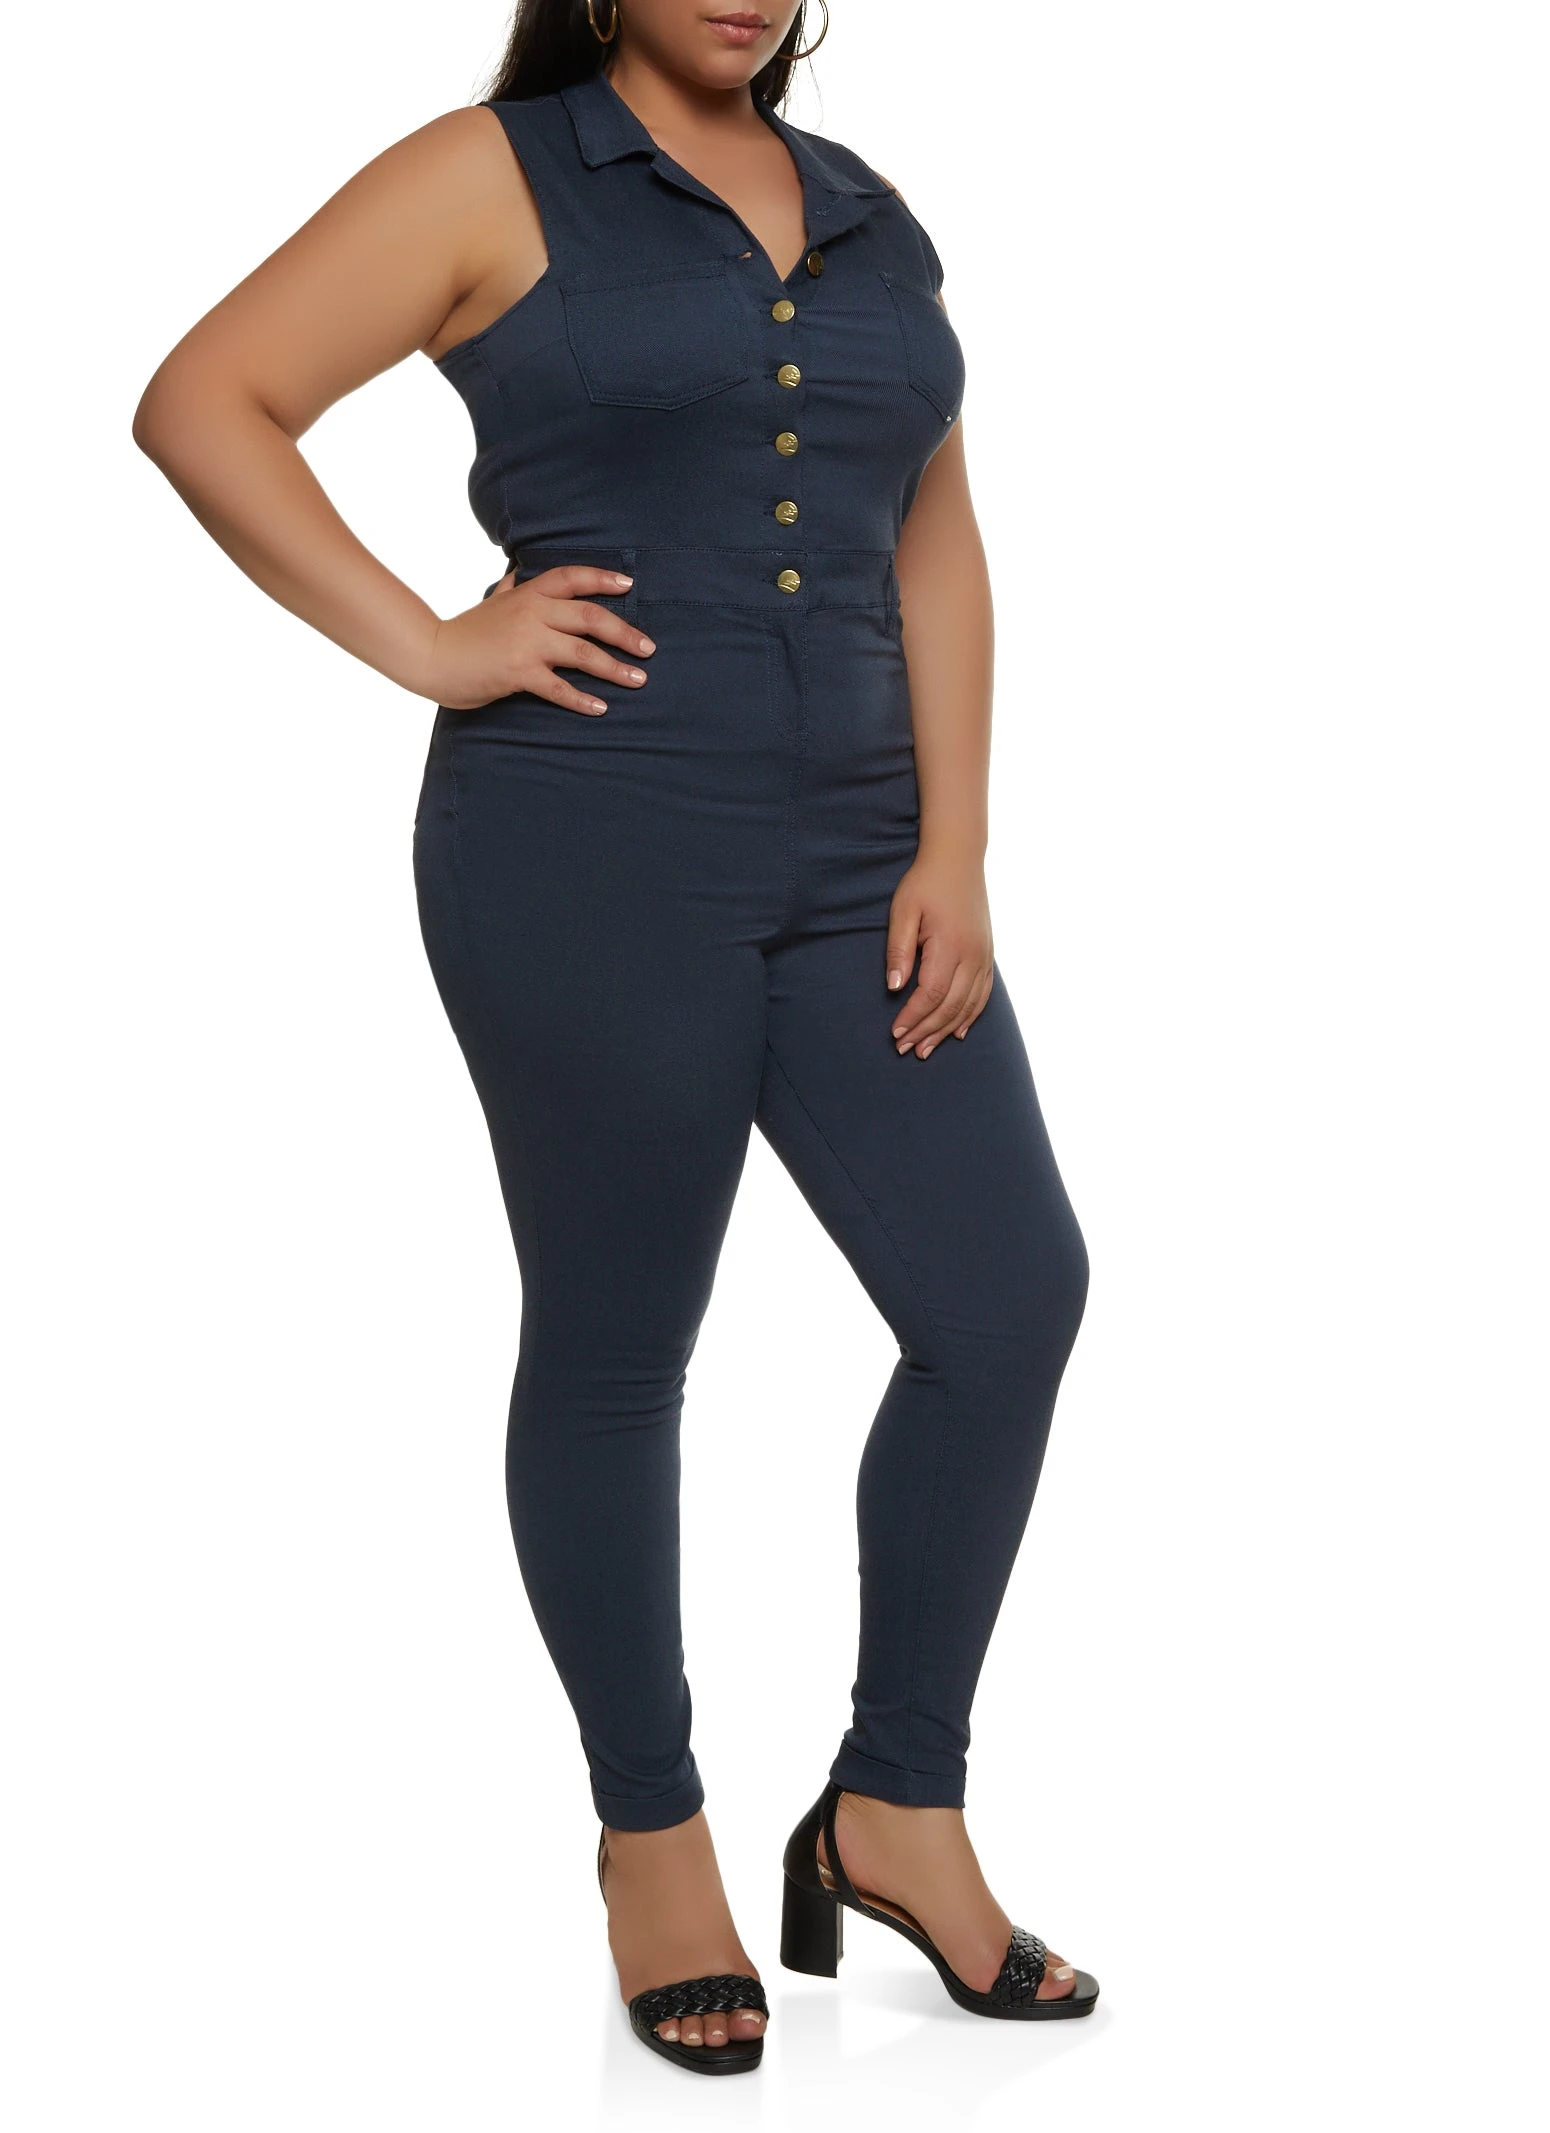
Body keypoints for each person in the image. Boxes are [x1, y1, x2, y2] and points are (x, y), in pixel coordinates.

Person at [133, 0, 1099, 2076]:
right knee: (617, 1342)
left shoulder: (865, 207)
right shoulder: (489, 174)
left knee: (1008, 1298)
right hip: (588, 845)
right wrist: (434, 641)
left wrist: (955, 843)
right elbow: (206, 400)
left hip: (866, 864)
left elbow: (931, 532)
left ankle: (895, 1804)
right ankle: (649, 1835)